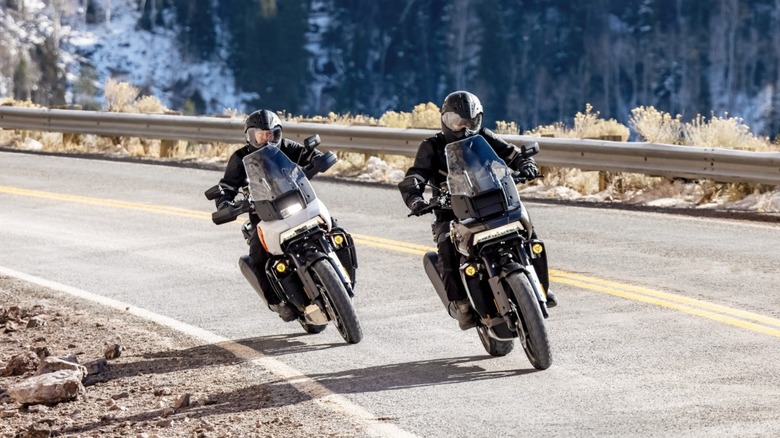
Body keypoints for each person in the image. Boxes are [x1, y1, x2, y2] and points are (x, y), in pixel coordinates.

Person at [398, 91, 556, 330]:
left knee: (526, 226)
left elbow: (510, 154)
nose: (462, 127)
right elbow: (416, 175)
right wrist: (415, 198)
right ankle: (461, 303)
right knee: (445, 246)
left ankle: (540, 282)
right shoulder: (432, 147)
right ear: (445, 119)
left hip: (492, 201)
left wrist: (526, 164)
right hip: (451, 211)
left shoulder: (484, 136)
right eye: (455, 120)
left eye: (470, 121)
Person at [214, 109, 323, 322]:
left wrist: (317, 158)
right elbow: (226, 186)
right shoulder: (240, 157)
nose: (266, 138)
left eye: (271, 133)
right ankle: (277, 301)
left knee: (331, 224)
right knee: (257, 254)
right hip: (263, 215)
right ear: (250, 135)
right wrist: (224, 203)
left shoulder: (284, 147)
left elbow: (306, 154)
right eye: (261, 134)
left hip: (296, 202)